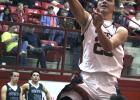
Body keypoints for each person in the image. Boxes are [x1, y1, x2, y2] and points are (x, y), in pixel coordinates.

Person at [62, 0, 128, 100]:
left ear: (115, 8)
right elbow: (74, 5)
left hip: (108, 83)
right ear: (97, 5)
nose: (105, 1)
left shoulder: (121, 30)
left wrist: (98, 29)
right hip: (87, 80)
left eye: (109, 0)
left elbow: (108, 46)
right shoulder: (87, 19)